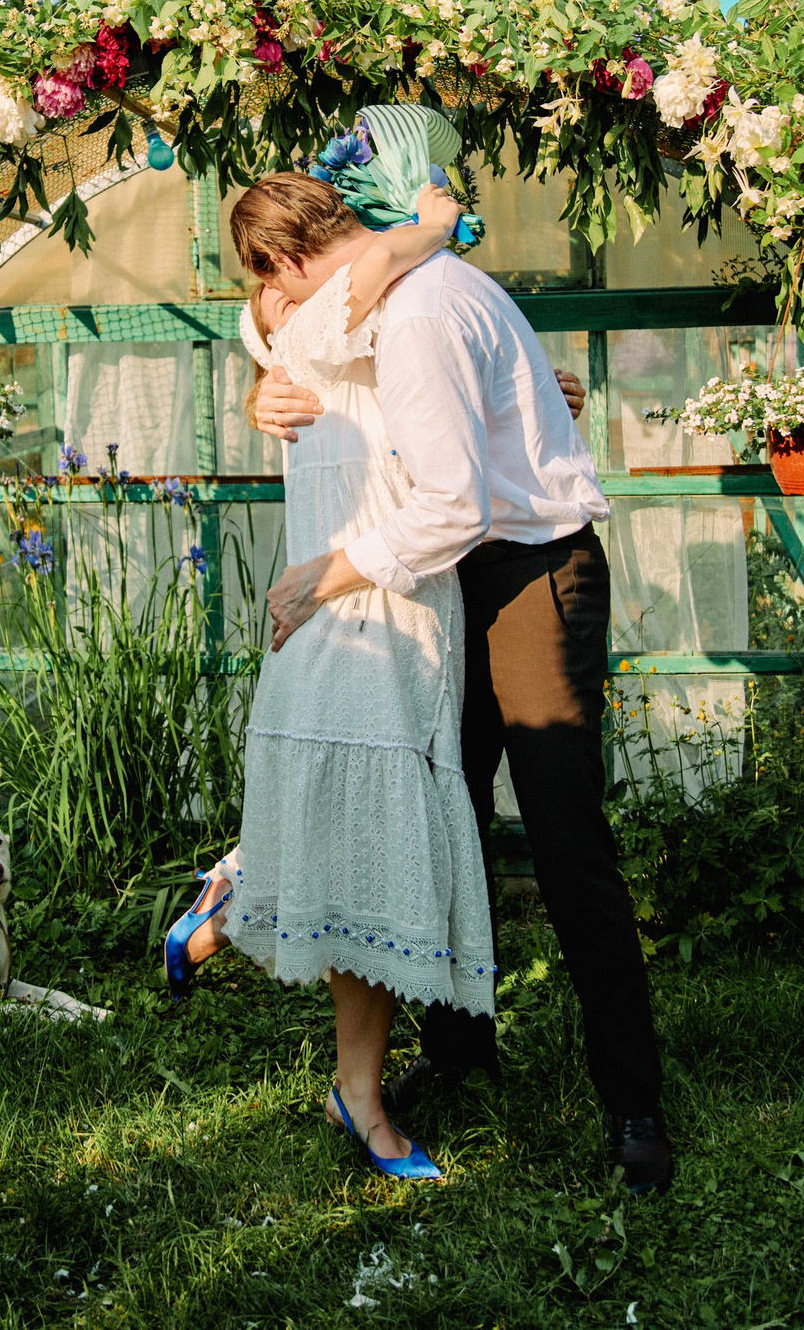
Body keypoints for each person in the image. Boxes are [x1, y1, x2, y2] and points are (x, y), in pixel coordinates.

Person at [242, 168, 676, 1195]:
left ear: (303, 261)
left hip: (528, 568)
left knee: (567, 842)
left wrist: (322, 578)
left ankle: (634, 1105)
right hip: (448, 573)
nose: (285, 315)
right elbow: (267, 324)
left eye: (283, 289)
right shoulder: (387, 281)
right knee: (448, 807)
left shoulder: (422, 308)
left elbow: (450, 506)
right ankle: (461, 1046)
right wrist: (264, 376)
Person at [160, 176, 487, 1179]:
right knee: (368, 839)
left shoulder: (323, 319)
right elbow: (344, 281)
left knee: (366, 833)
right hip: (352, 596)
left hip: (385, 591)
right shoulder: (321, 316)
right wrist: (425, 227)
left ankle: (242, 884)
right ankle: (359, 1095)